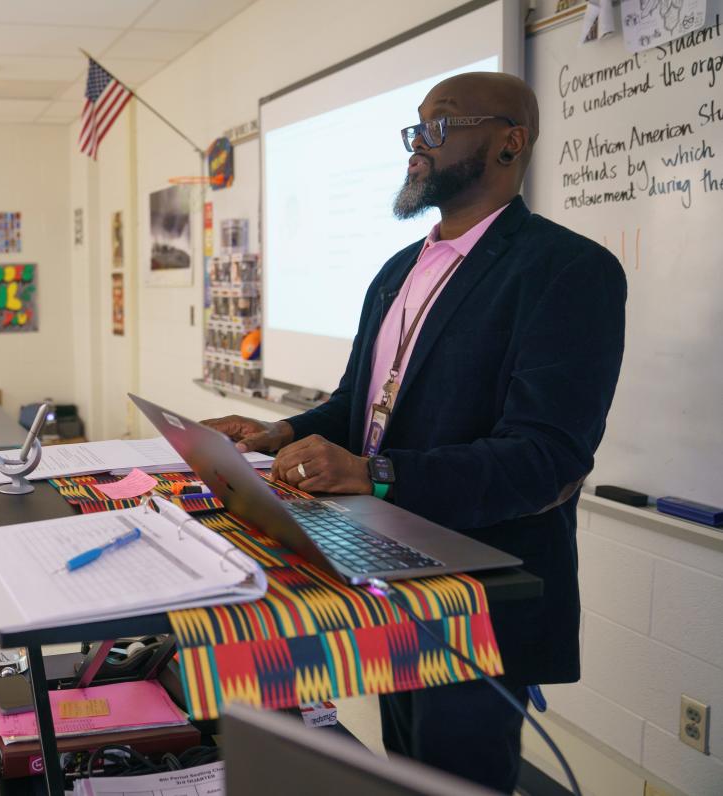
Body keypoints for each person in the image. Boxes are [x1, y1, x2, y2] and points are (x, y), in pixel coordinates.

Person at [204, 73, 626, 793]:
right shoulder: (399, 270)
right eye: (415, 128)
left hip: (478, 595)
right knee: (402, 770)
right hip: (383, 571)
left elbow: (545, 460)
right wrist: (276, 431)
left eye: (441, 126)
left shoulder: (567, 270)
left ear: (509, 142)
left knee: (456, 774)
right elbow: (359, 408)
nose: (417, 147)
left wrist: (379, 474)